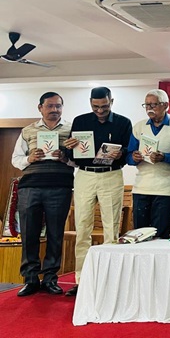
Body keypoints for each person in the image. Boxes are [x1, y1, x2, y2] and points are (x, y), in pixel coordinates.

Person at [63, 87, 132, 296]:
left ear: (112, 101)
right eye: (95, 107)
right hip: (85, 174)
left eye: (104, 106)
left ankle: (109, 281)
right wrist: (69, 147)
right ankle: (82, 280)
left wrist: (121, 153)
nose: (100, 111)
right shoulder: (80, 121)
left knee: (111, 227)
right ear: (90, 103)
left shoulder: (123, 122)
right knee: (82, 226)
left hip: (111, 174)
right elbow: (71, 155)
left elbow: (129, 152)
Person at [11, 92, 74, 297]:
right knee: (29, 233)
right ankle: (30, 279)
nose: (54, 110)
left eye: (58, 106)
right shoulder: (28, 130)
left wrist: (65, 158)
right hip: (30, 187)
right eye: (50, 106)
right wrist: (29, 158)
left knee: (55, 234)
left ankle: (50, 279)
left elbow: (81, 159)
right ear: (40, 108)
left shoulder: (72, 129)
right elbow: (16, 159)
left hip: (60, 187)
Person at [127, 89, 170, 238]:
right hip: (141, 188)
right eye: (146, 105)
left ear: (165, 105)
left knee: (160, 235)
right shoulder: (139, 126)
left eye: (153, 105)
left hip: (166, 190)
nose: (149, 108)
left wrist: (164, 157)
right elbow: (128, 156)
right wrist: (134, 157)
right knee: (139, 235)